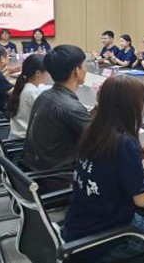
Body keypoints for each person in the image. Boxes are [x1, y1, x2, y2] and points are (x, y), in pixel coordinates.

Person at [62, 76, 144, 263]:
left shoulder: (94, 131)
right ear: (132, 106)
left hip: (78, 230)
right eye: (143, 100)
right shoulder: (124, 142)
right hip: (105, 241)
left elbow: (111, 164)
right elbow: (142, 200)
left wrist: (141, 153)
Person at [22, 45, 93, 186]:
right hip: (58, 178)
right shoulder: (70, 107)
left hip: (36, 170)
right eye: (85, 65)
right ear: (76, 71)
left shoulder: (45, 95)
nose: (86, 69)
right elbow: (101, 142)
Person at [8, 54, 49, 139]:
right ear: (38, 73)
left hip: (18, 135)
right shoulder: (32, 92)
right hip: (26, 140)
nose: (48, 74)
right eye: (47, 71)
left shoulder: (24, 86)